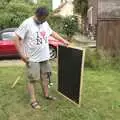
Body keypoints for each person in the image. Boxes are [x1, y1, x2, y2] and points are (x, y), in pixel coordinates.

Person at [14, 6, 69, 109]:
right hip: (32, 58)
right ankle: (33, 100)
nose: (44, 21)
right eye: (43, 18)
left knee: (45, 77)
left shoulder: (44, 23)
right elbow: (16, 38)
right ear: (38, 16)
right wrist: (22, 55)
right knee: (32, 80)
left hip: (44, 57)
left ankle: (47, 94)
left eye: (45, 19)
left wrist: (63, 40)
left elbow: (52, 32)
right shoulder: (27, 23)